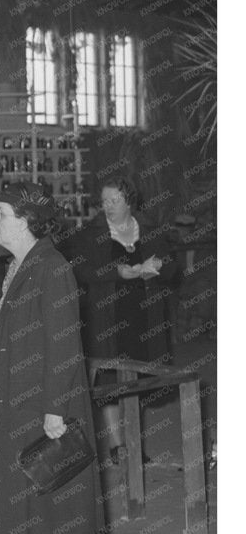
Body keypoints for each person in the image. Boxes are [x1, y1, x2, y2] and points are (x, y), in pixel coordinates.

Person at [0, 181, 101, 534]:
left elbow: (64, 344)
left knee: (56, 515)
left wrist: (56, 411)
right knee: (29, 511)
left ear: (28, 220)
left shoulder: (52, 268)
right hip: (19, 405)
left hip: (47, 408)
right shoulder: (20, 267)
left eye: (2, 213)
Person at [61, 175, 181, 459]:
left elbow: (174, 269)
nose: (108, 206)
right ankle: (119, 446)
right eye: (104, 201)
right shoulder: (90, 234)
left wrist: (159, 266)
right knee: (110, 382)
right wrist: (118, 273)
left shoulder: (150, 229)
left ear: (130, 201)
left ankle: (134, 442)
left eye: (115, 200)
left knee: (138, 379)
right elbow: (80, 271)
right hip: (107, 318)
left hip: (145, 316)